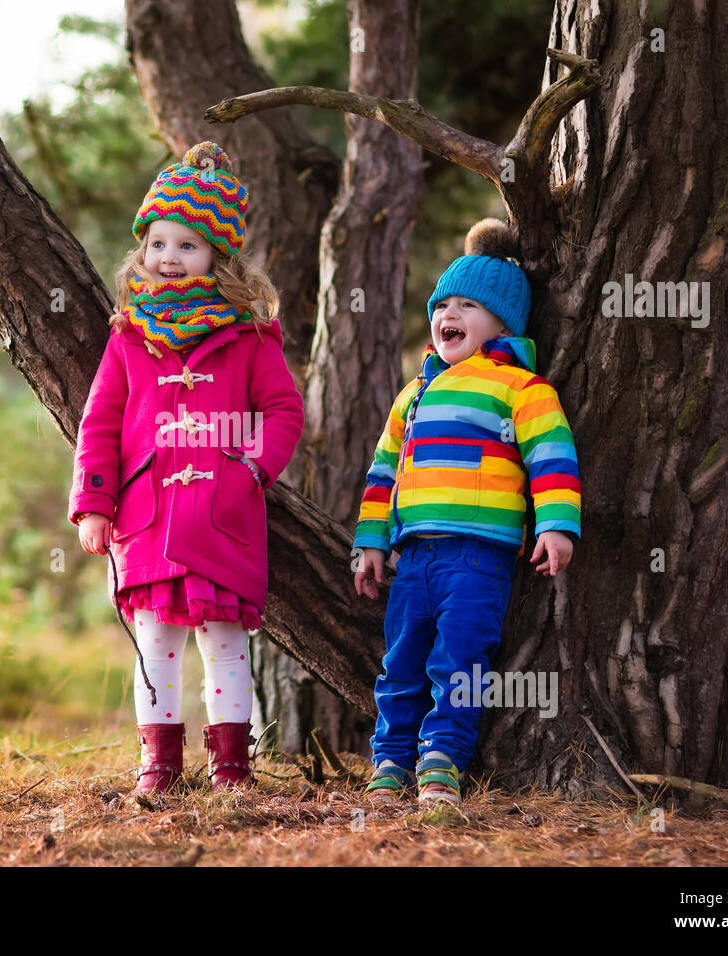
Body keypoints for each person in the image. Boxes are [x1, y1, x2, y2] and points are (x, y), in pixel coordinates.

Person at [69, 142, 304, 795]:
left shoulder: (251, 339)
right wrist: (94, 501)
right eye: (158, 244)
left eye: (188, 246)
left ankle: (232, 764)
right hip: (145, 521)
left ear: (218, 257)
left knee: (225, 646)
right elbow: (101, 423)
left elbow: (283, 410)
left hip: (223, 518)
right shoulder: (128, 339)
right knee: (155, 649)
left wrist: (251, 473)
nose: (168, 258)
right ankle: (160, 765)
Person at [351, 218, 582, 808]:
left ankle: (443, 760)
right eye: (442, 303)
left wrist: (557, 523)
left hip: (479, 558)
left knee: (460, 659)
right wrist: (371, 543)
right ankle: (390, 760)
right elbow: (383, 474)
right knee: (400, 663)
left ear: (502, 321)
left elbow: (551, 459)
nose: (447, 314)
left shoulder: (522, 389)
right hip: (414, 558)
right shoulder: (415, 393)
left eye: (467, 305)